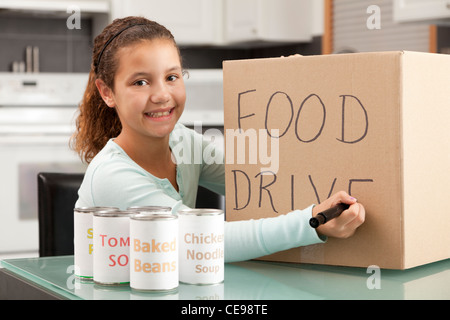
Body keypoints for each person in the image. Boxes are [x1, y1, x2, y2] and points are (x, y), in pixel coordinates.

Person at [71, 16, 365, 263]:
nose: (161, 95)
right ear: (107, 92)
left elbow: (262, 179)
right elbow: (203, 240)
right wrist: (311, 222)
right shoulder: (112, 176)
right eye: (140, 82)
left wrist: (291, 83)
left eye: (172, 77)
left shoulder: (183, 142)